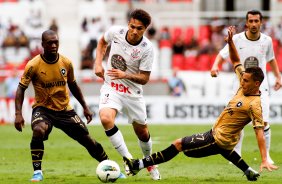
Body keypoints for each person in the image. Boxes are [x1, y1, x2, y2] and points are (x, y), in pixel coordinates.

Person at [124, 26, 279, 181]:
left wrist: (264, 158)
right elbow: (236, 60)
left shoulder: (255, 105)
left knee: (178, 144)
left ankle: (137, 164)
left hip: (217, 139)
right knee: (227, 150)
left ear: (256, 83)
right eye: (242, 79)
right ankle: (248, 170)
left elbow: (259, 132)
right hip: (220, 135)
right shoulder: (243, 83)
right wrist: (231, 42)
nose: (242, 81)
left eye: (246, 81)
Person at [14, 30, 110, 182]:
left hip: (65, 110)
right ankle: (37, 172)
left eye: (56, 42)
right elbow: (21, 88)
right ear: (42, 45)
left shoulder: (66, 63)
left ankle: (108, 166)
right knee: (38, 130)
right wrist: (18, 113)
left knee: (88, 140)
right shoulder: (33, 65)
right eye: (50, 43)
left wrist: (85, 106)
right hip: (43, 109)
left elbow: (73, 85)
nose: (53, 45)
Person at [94, 9, 161, 180]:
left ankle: (149, 163)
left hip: (132, 93)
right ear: (128, 24)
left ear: (145, 29)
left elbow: (145, 78)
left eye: (139, 28)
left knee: (143, 133)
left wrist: (126, 75)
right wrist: (98, 64)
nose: (134, 31)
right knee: (106, 118)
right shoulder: (116, 32)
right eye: (132, 26)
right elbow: (102, 42)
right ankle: (128, 159)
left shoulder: (147, 49)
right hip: (112, 87)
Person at [210, 10, 282, 164]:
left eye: (257, 21)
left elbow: (271, 59)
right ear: (247, 23)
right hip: (240, 86)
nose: (254, 24)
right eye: (251, 21)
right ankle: (236, 154)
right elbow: (222, 55)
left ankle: (266, 156)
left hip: (261, 88)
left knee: (264, 122)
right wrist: (215, 66)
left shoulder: (267, 40)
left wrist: (278, 76)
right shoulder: (237, 39)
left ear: (261, 23)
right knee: (238, 122)